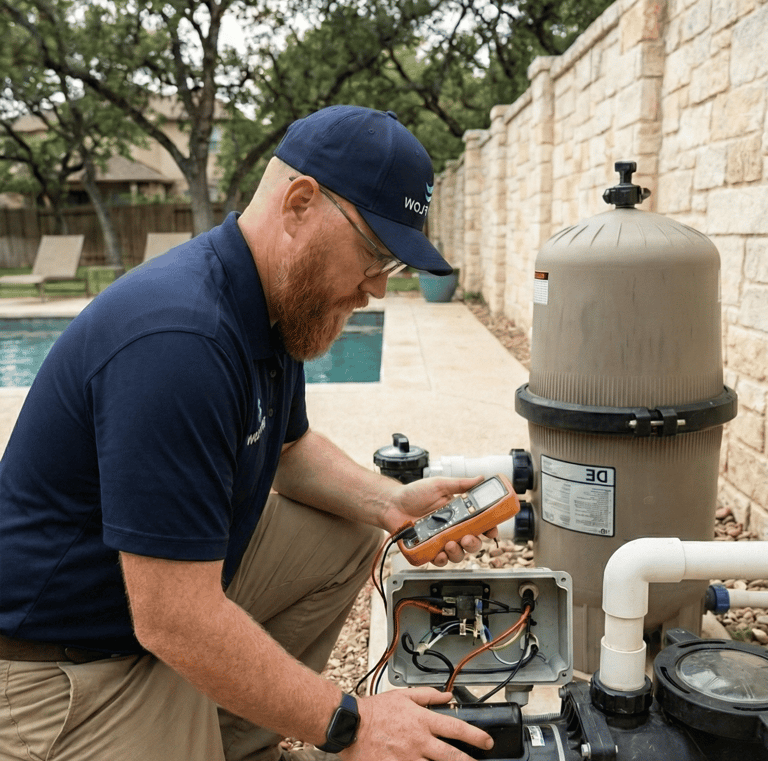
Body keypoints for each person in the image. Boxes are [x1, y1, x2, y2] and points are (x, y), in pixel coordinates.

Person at [0, 106, 499, 761]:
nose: (378, 287)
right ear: (298, 203)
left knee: (345, 532)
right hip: (63, 664)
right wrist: (351, 722)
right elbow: (174, 617)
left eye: (394, 264)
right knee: (191, 633)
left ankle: (234, 737)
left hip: (147, 608)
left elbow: (290, 451)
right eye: (376, 253)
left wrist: (389, 503)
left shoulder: (271, 305)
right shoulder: (179, 342)